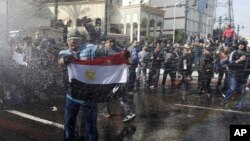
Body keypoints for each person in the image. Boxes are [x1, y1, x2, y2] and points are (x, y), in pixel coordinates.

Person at [58, 29, 98, 141]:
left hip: (89, 94)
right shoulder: (64, 52)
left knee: (91, 125)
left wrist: (121, 57)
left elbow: (104, 52)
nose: (73, 42)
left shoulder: (90, 48)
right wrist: (66, 59)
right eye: (70, 40)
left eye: (75, 40)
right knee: (69, 122)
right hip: (72, 94)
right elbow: (61, 61)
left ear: (80, 41)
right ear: (67, 41)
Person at [96, 38, 136, 122]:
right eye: (108, 43)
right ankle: (106, 111)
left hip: (112, 78)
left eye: (109, 42)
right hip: (115, 77)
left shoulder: (112, 50)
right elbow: (127, 57)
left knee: (116, 95)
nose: (108, 44)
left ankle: (128, 112)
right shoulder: (118, 50)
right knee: (113, 95)